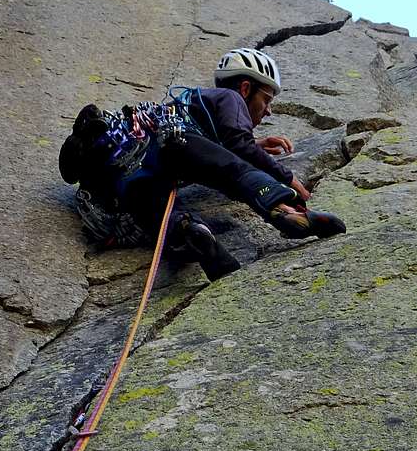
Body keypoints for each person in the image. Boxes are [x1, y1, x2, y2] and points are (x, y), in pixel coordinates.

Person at [59, 48, 346, 281]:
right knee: (234, 171)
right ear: (246, 87)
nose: (268, 110)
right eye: (266, 99)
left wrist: (255, 143)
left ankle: (190, 231)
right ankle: (283, 209)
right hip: (174, 142)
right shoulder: (231, 97)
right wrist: (288, 178)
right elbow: (234, 149)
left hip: (127, 175)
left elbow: (225, 142)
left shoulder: (196, 106)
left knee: (156, 208)